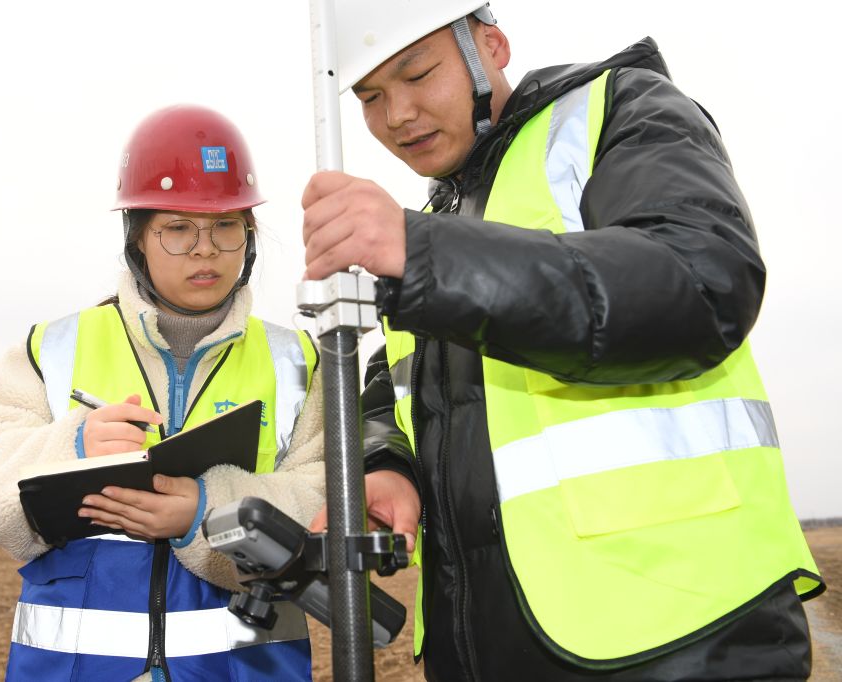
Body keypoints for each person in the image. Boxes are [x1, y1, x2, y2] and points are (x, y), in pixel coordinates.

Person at [301, 2, 824, 680]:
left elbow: (701, 282)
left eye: (418, 74)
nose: (397, 115)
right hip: (488, 650)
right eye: (370, 97)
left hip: (680, 636)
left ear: (491, 46)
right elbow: (398, 382)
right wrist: (387, 463)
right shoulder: (439, 221)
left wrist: (425, 251)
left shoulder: (618, 111)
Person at [0, 104, 324, 681]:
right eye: (178, 228)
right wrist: (71, 447)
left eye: (226, 226)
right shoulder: (54, 348)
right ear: (138, 237)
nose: (205, 249)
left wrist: (207, 512)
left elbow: (327, 507)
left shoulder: (298, 361)